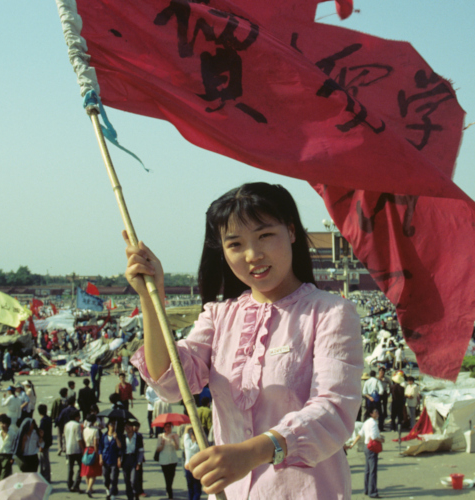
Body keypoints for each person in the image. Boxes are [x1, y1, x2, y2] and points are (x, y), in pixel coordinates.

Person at [127, 182, 363, 498]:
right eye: (235, 244)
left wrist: (252, 453)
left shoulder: (332, 312)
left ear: (291, 231)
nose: (253, 255)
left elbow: (334, 410)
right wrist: (150, 298)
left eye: (265, 235)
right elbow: (171, 383)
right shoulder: (218, 316)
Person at [346, 409, 383, 498]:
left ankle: (367, 489)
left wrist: (352, 444)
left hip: (367, 447)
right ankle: (372, 491)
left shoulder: (366, 422)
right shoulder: (373, 423)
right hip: (372, 447)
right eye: (375, 412)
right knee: (372, 471)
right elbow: (373, 437)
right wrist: (381, 439)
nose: (377, 413)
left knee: (367, 470)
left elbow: (360, 434)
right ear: (371, 414)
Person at [120, 419, 144, 500]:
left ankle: (136, 494)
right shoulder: (123, 437)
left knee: (133, 480)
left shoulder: (138, 437)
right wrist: (118, 460)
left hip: (134, 459)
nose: (127, 428)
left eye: (129, 426)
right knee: (127, 480)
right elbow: (119, 450)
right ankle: (130, 497)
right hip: (125, 459)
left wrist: (139, 463)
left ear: (132, 427)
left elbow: (141, 451)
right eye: (125, 426)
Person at [156, 422, 180, 500]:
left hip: (173, 459)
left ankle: (168, 488)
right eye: (166, 427)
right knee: (167, 477)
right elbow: (158, 449)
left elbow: (177, 448)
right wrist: (162, 444)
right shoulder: (161, 436)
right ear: (164, 428)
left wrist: (173, 440)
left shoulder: (175, 435)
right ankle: (170, 495)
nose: (168, 428)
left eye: (169, 427)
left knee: (172, 476)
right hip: (164, 460)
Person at [81, 414, 102, 497]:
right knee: (93, 472)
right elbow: (96, 443)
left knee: (87, 472)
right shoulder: (95, 431)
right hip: (93, 450)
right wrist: (97, 454)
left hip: (86, 450)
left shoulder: (85, 430)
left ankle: (89, 487)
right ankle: (89, 489)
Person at [100, 420, 122, 500]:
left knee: (114, 477)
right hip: (105, 459)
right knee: (106, 477)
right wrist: (100, 458)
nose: (112, 426)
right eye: (111, 424)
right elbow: (101, 448)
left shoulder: (117, 435)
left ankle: (113, 493)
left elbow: (120, 447)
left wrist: (116, 438)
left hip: (114, 459)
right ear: (108, 426)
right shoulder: (104, 436)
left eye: (114, 424)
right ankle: (107, 488)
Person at [65, 411, 84, 493]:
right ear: (76, 417)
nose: (79, 418)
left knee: (70, 468)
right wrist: (83, 449)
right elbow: (79, 439)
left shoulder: (66, 425)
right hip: (76, 449)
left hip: (68, 448)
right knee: (81, 467)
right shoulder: (77, 425)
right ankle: (76, 484)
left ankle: (69, 485)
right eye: (78, 416)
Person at [182, 425, 202, 500]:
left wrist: (192, 425)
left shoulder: (187, 443)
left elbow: (186, 428)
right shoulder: (200, 445)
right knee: (197, 490)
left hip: (188, 467)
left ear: (191, 435)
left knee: (190, 489)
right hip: (197, 468)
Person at [37, 404, 52, 482]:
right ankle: (46, 476)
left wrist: (40, 444)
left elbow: (42, 433)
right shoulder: (49, 419)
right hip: (48, 441)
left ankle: (45, 477)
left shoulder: (43, 421)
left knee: (44, 460)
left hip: (44, 443)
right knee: (45, 459)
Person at [52, 388, 69, 455]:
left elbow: (53, 410)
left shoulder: (57, 401)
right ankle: (64, 447)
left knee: (59, 434)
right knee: (65, 434)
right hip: (66, 420)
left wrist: (53, 419)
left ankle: (59, 448)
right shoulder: (67, 401)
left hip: (59, 420)